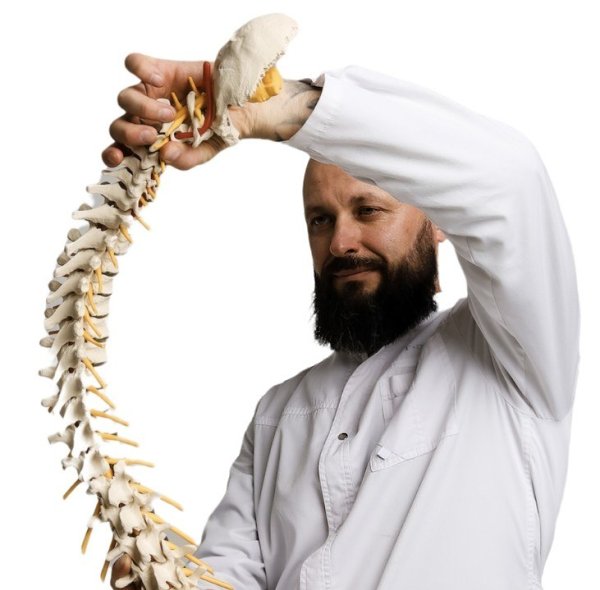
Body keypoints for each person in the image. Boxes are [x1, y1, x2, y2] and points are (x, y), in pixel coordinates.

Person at [107, 54, 579, 590]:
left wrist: (275, 108)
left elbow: (511, 182)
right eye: (320, 219)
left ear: (439, 218)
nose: (340, 243)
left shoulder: (510, 358)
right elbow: (231, 575)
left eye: (368, 210)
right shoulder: (276, 417)